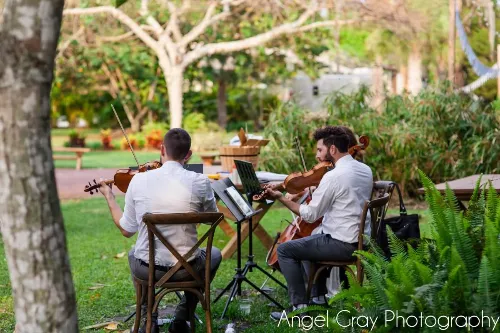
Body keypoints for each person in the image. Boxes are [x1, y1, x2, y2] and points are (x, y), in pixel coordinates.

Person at [98, 128, 221, 333]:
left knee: (134, 253)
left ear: (161, 149)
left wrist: (109, 197)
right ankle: (182, 318)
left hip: (148, 270)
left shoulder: (138, 180)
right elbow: (212, 218)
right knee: (214, 255)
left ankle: (149, 319)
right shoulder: (200, 181)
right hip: (187, 269)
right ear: (189, 155)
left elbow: (127, 230)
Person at [258, 126, 373, 320]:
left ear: (333, 150)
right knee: (309, 238)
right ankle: (318, 298)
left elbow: (310, 215)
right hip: (362, 240)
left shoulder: (334, 176)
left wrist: (280, 197)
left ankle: (300, 309)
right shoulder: (365, 169)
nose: (317, 155)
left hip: (343, 244)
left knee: (286, 250)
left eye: (320, 150)